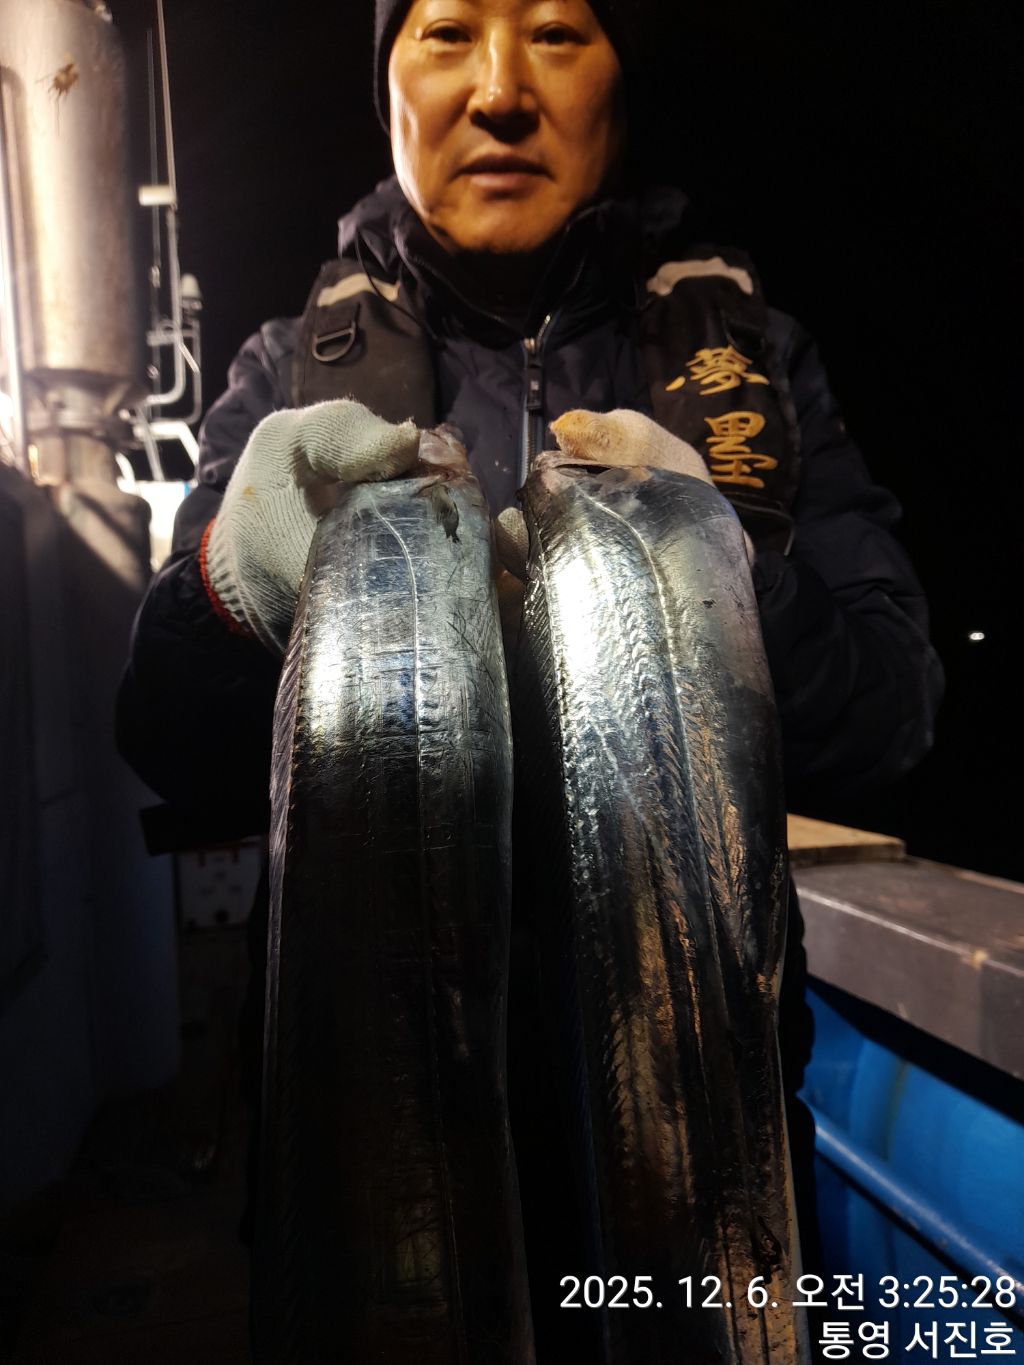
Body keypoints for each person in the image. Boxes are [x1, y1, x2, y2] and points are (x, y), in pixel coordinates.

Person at [117, 0, 942, 1288]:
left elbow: (892, 713)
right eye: (447, 31)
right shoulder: (286, 374)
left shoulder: (752, 360)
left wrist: (725, 568)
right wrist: (228, 590)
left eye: (557, 31)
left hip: (696, 1151)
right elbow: (170, 742)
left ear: (621, 80)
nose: (500, 91)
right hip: (371, 1154)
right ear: (390, 88)